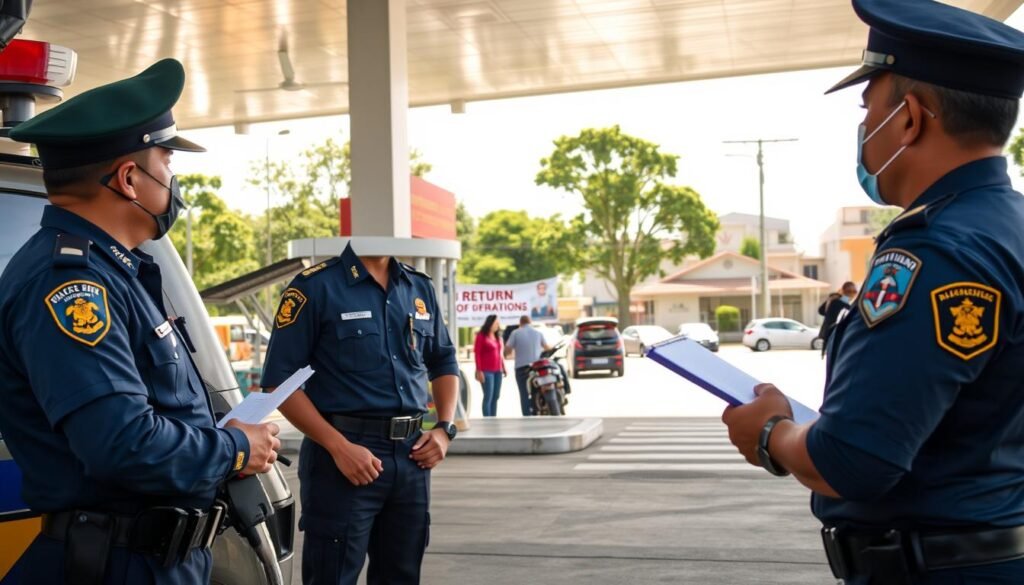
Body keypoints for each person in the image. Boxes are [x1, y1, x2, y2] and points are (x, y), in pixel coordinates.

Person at [722, 1, 1024, 583]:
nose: (863, 130)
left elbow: (855, 461)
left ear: (909, 118)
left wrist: (769, 431)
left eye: (868, 108)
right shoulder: (1007, 228)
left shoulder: (935, 251)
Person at [0, 59, 280, 584]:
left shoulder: (118, 273)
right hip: (118, 563)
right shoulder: (72, 285)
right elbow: (123, 445)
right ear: (130, 178)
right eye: (168, 163)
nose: (174, 182)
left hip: (152, 557)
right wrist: (238, 448)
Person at [260, 241, 459, 585]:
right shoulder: (315, 286)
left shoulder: (418, 285)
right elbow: (280, 383)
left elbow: (443, 360)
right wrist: (338, 447)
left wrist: (444, 429)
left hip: (412, 459)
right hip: (343, 459)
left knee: (401, 575)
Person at [503, 315, 551, 416]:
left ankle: (527, 416)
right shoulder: (538, 333)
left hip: (521, 368)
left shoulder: (515, 333)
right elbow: (547, 348)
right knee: (535, 390)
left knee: (523, 394)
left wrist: (507, 354)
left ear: (520, 323)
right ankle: (536, 410)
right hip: (536, 368)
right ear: (530, 322)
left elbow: (507, 350)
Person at [474, 314, 507, 417]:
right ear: (490, 323)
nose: (498, 325)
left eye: (498, 323)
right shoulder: (481, 336)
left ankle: (493, 418)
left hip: (498, 371)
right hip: (486, 371)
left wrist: (504, 367)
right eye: (496, 323)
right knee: (488, 396)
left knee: (496, 396)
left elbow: (500, 354)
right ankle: (487, 419)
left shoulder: (498, 337)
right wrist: (479, 371)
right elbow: (477, 353)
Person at [818, 281, 857, 355]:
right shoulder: (837, 302)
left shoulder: (838, 301)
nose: (851, 294)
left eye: (854, 291)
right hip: (834, 336)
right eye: (848, 291)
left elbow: (822, 311)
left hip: (835, 336)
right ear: (843, 291)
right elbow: (821, 311)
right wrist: (829, 300)